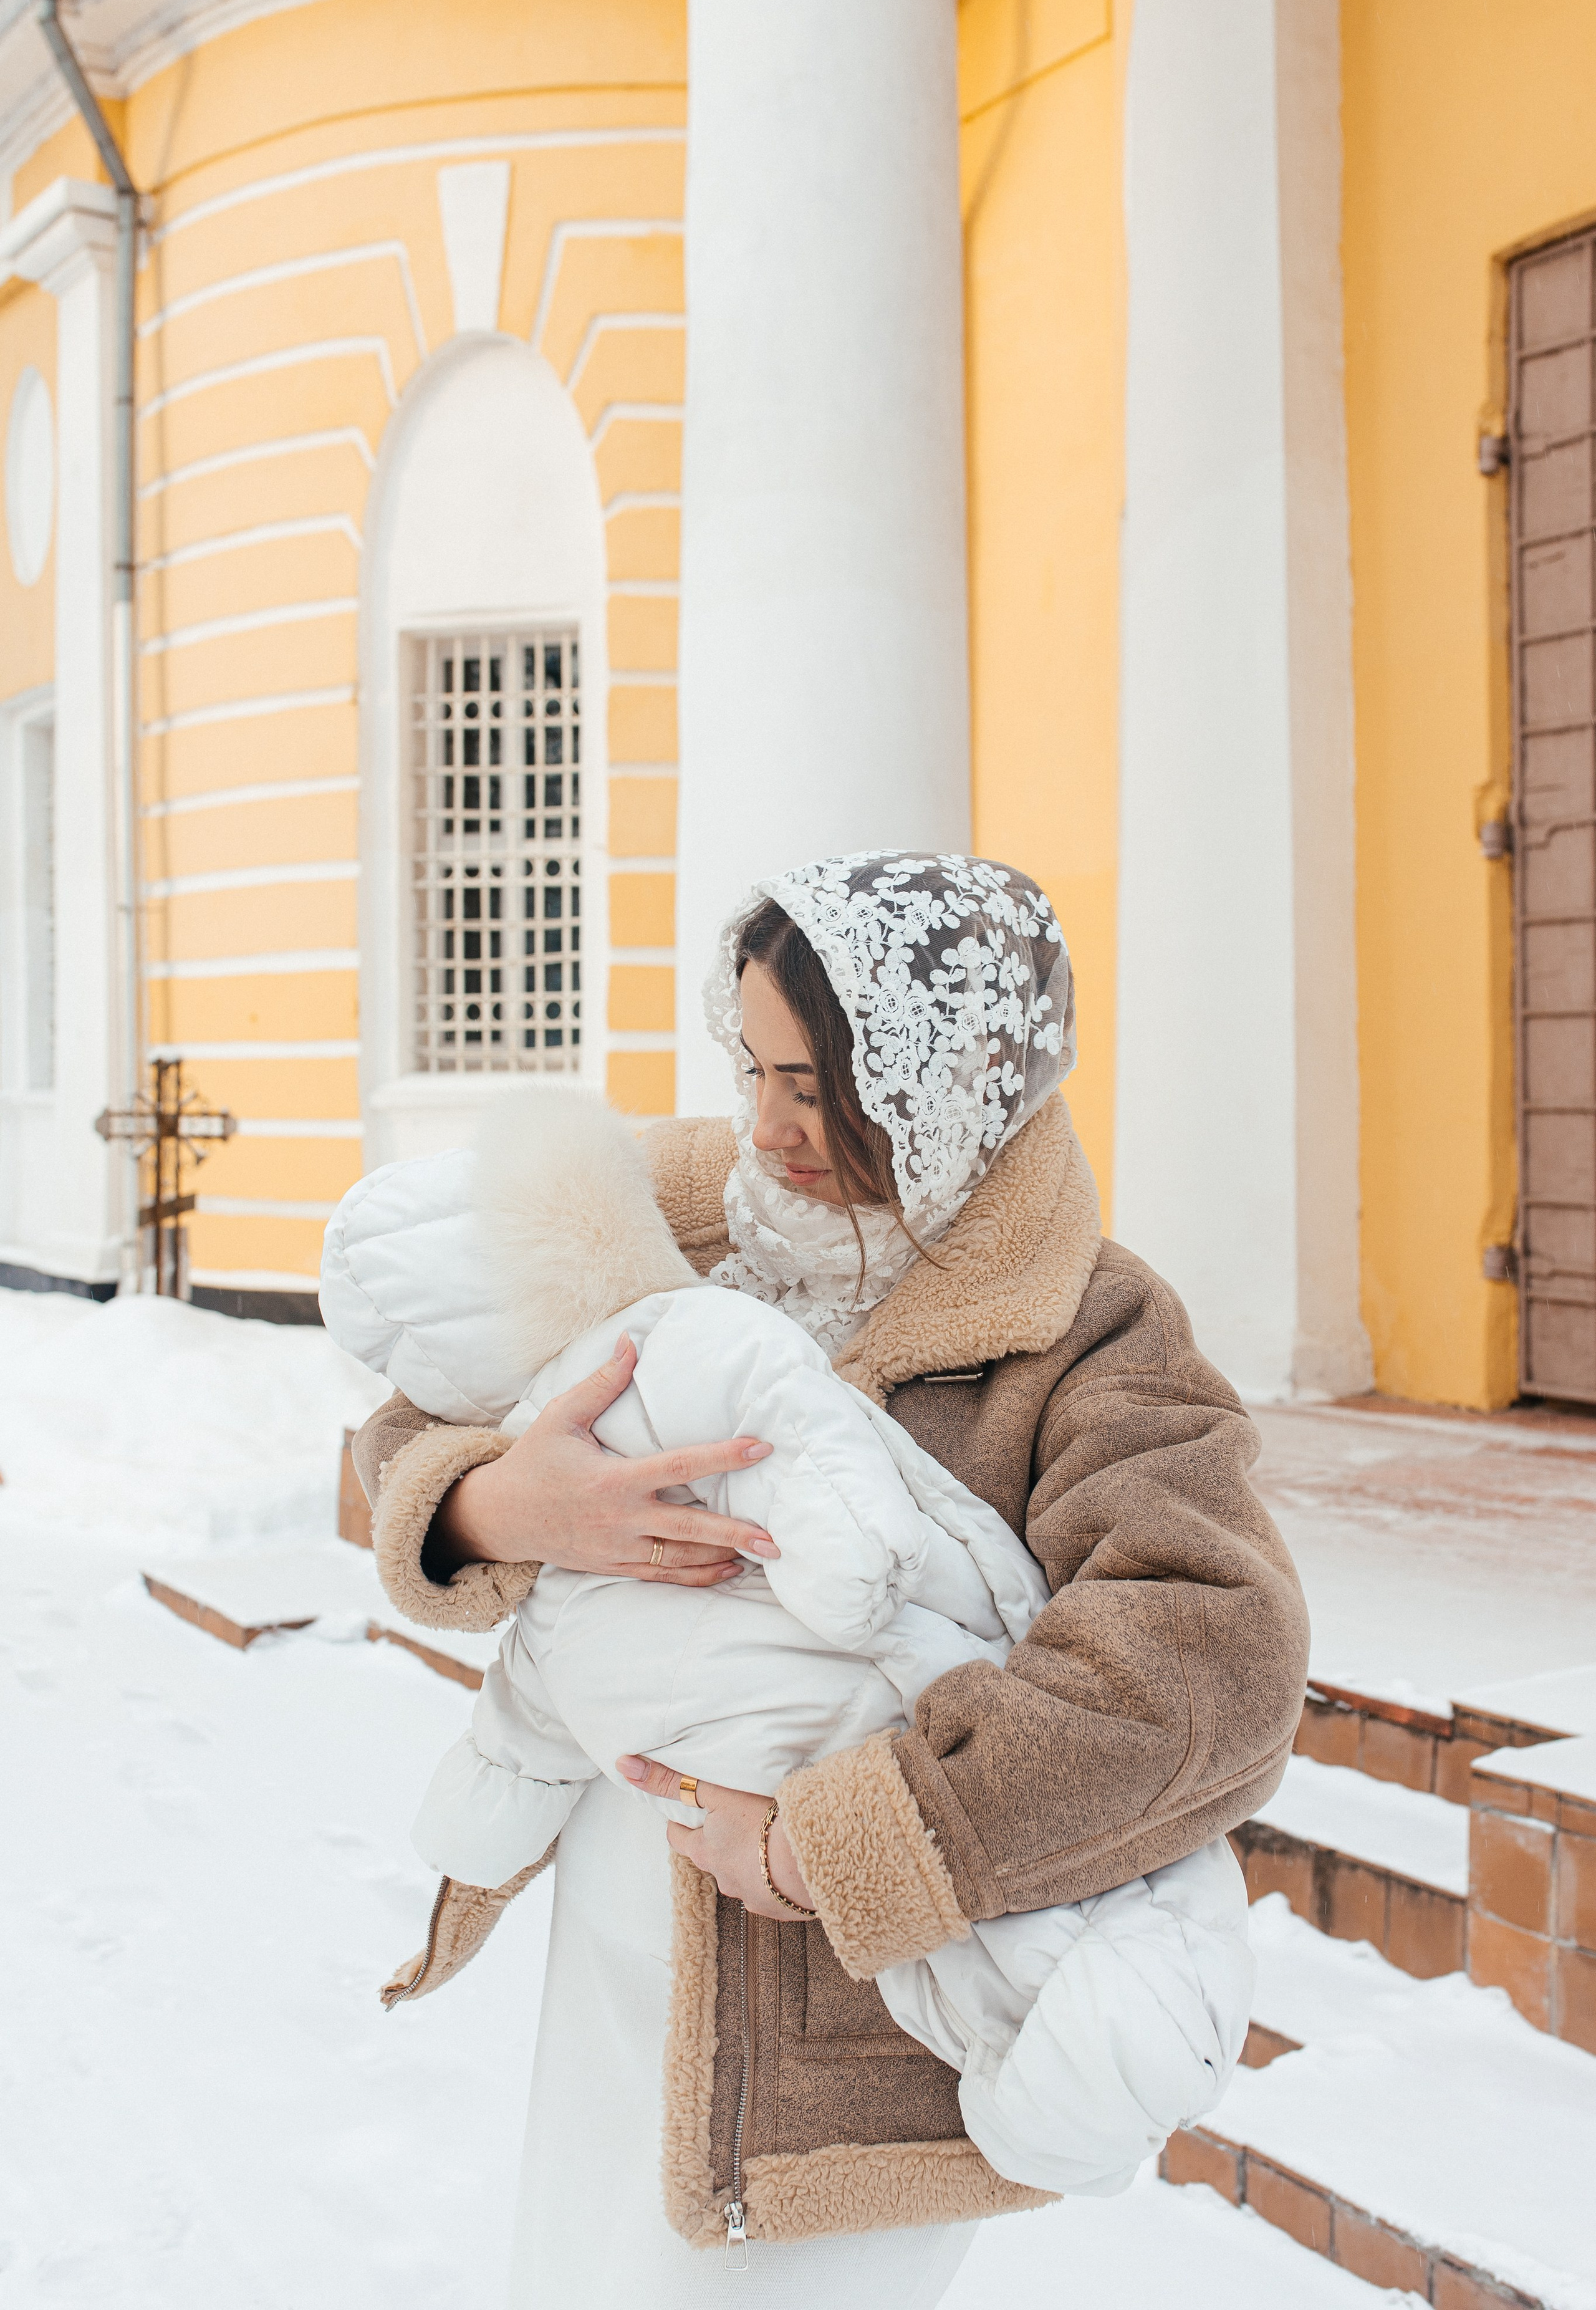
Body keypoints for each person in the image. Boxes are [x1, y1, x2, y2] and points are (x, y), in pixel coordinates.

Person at [345, 853, 1309, 2309]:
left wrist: (836, 1848)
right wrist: (497, 1502)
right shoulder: (689, 1217)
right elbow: (400, 1424)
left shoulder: (1084, 1325)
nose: (770, 1128)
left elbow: (1205, 1664)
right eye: (756, 1070)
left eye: (822, 1090)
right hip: (620, 1931)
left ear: (948, 1083)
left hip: (850, 2009)